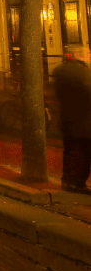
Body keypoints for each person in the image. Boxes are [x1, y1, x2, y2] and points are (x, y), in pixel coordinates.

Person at [52, 59, 91, 194]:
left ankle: (69, 181)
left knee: (71, 151)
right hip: (84, 124)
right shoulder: (82, 82)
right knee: (82, 153)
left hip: (68, 121)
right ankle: (77, 182)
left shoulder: (61, 79)